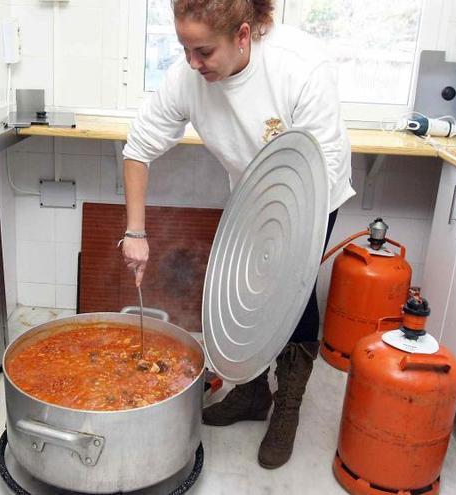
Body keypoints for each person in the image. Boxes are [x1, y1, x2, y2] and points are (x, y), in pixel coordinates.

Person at [119, 0, 354, 469]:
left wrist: (280, 260)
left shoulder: (299, 68)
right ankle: (251, 394)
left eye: (203, 51)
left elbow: (316, 173)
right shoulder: (188, 77)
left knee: (290, 300)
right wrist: (135, 231)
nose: (192, 63)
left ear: (243, 35)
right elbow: (137, 148)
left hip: (313, 195)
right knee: (244, 292)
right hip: (250, 196)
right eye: (184, 48)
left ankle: (286, 406)